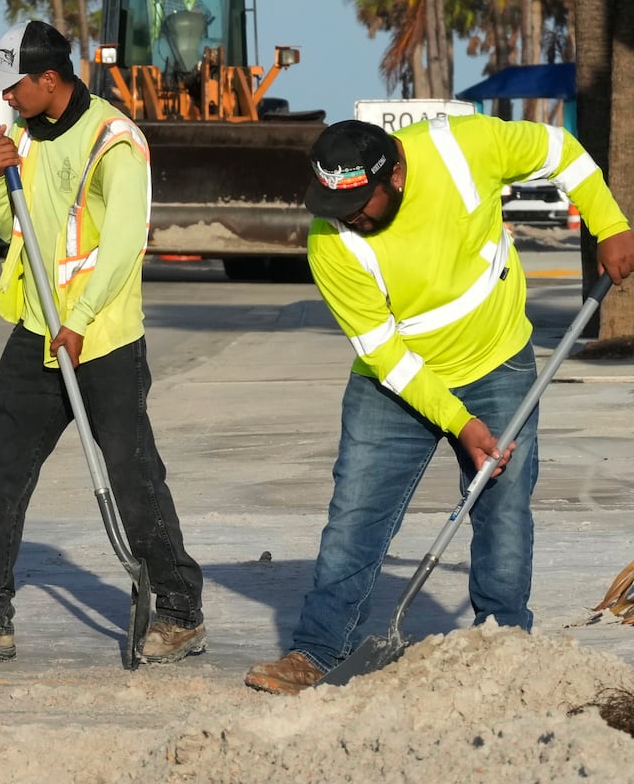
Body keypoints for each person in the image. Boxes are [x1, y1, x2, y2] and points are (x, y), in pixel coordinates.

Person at [245, 115, 634, 695]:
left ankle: (504, 647)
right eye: (333, 202)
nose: (347, 215)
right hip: (396, 384)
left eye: (359, 201)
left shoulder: (463, 147)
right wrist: (457, 420)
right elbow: (385, 354)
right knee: (355, 513)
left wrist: (609, 223)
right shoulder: (330, 241)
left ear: (396, 173)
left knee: (502, 514)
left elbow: (563, 151)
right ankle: (318, 651)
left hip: (497, 362)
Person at [0, 20, 206, 667]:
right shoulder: (21, 134)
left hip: (100, 336)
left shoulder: (114, 141)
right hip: (36, 332)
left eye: (13, 85)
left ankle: (181, 609)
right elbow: (7, 225)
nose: (6, 99)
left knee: (134, 478)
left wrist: (76, 321)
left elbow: (124, 244)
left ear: (49, 78)